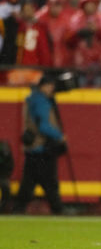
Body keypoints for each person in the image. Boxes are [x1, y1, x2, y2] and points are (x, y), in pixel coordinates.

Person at [13, 74, 66, 214]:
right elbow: (44, 126)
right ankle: (57, 209)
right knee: (50, 183)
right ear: (43, 86)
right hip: (43, 147)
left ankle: (18, 209)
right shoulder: (42, 101)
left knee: (28, 182)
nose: (51, 89)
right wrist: (59, 136)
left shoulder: (33, 99)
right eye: (49, 85)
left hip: (33, 148)